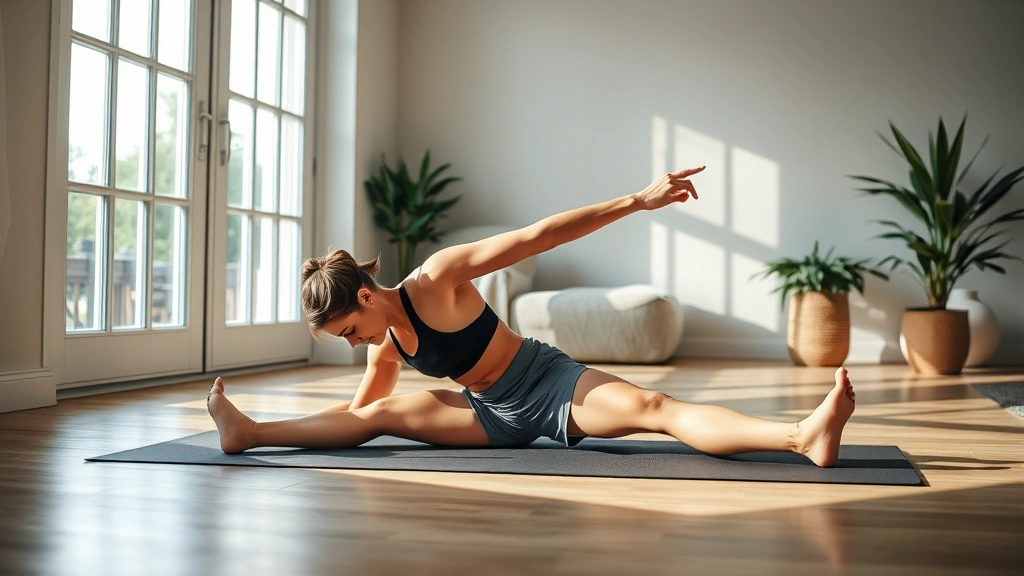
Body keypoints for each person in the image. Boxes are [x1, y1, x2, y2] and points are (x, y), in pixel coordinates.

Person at [206, 166, 856, 467]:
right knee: (374, 418)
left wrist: (637, 198)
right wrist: (311, 427)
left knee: (655, 408)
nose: (354, 345)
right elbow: (353, 420)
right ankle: (248, 433)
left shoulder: (438, 277)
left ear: (366, 298)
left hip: (545, 386)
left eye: (349, 330)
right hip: (486, 416)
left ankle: (802, 437)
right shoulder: (386, 344)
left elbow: (537, 237)